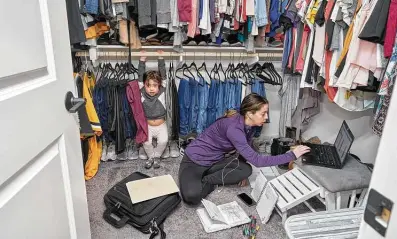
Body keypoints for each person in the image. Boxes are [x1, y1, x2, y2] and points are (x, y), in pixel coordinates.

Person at [178, 93, 311, 205]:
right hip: (194, 161)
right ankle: (208, 181)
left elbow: (246, 150)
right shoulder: (234, 128)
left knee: (246, 169)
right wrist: (292, 155)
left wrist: (240, 167)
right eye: (263, 113)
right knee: (192, 197)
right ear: (249, 113)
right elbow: (257, 160)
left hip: (215, 161)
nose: (266, 117)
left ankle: (207, 180)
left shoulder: (249, 125)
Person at [139, 53, 168, 169]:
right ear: (144, 86)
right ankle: (151, 157)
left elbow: (164, 76)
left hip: (161, 125)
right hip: (148, 125)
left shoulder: (161, 92)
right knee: (146, 142)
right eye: (148, 85)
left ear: (159, 86)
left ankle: (157, 156)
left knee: (163, 141)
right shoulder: (142, 93)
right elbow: (140, 78)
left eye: (154, 85)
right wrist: (142, 61)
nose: (151, 88)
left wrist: (160, 59)